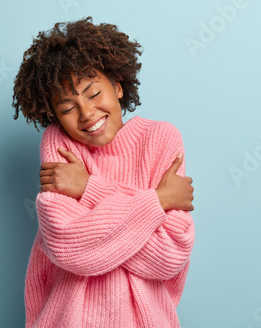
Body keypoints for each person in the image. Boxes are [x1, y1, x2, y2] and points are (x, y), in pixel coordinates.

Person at [12, 16, 195, 328]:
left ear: (119, 87)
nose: (86, 114)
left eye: (94, 94)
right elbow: (68, 247)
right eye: (67, 108)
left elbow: (169, 254)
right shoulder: (59, 142)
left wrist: (88, 188)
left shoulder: (162, 138)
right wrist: (157, 201)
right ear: (54, 115)